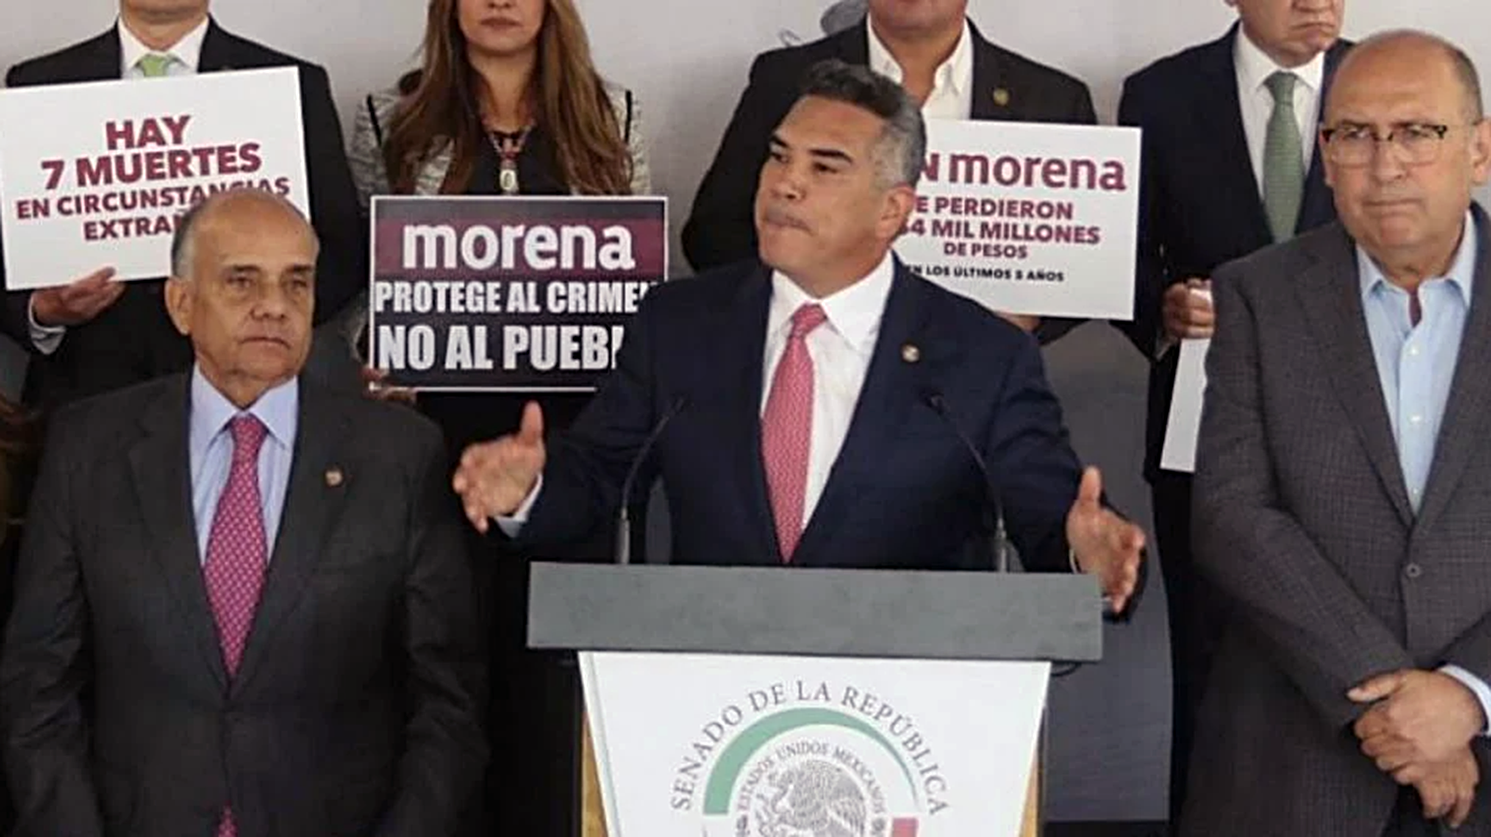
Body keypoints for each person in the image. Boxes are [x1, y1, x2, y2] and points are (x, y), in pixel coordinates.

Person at [454, 60, 1143, 613]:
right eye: (779, 157)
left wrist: (1087, 556)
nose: (785, 184)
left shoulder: (981, 356)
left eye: (824, 167)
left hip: (906, 704)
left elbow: (1051, 516)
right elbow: (598, 479)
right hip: (707, 692)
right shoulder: (679, 326)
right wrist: (529, 490)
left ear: (892, 210)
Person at [0, 189, 485, 837]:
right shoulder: (88, 447)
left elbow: (449, 698)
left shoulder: (398, 455)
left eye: (296, 283)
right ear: (181, 304)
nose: (274, 306)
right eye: (241, 281)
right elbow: (38, 685)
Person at [342, 1, 649, 831]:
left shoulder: (614, 113)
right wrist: (368, 352)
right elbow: (366, 277)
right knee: (438, 662)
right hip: (430, 438)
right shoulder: (389, 116)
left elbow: (632, 270)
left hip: (567, 447)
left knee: (548, 677)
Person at [1189, 30, 1491, 836]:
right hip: (1294, 763)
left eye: (1416, 132)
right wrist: (1386, 695)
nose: (1383, 165)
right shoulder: (1257, 294)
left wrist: (1467, 692)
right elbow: (1230, 514)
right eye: (1353, 134)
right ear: (1323, 156)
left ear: (1478, 148)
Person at [1111, 0, 1348, 822]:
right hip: (1203, 428)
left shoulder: (1381, 85)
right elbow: (1117, 251)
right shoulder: (1160, 95)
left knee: (1352, 657)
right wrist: (1161, 308)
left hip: (1360, 433)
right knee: (1208, 666)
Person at [0, 0, 364, 410]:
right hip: (84, 396)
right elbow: (10, 255)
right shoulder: (36, 83)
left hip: (250, 396)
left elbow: (341, 250)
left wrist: (264, 314)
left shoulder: (293, 83)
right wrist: (43, 312)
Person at [683, 0, 1096, 341]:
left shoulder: (1053, 100)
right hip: (810, 353)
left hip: (978, 379)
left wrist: (1025, 322)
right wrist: (805, 304)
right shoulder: (784, 78)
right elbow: (715, 233)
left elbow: (1088, 266)